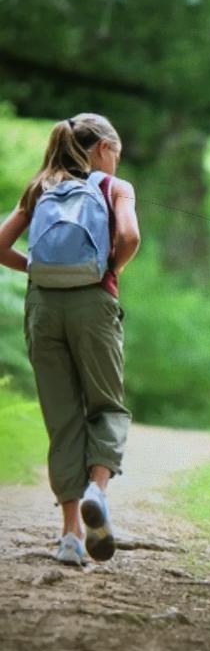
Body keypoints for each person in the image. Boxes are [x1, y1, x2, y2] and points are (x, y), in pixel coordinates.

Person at [0, 114, 140, 565]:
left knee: (62, 419)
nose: (116, 162)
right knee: (107, 405)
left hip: (44, 308)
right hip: (93, 304)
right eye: (115, 154)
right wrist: (110, 269)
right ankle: (96, 490)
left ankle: (69, 536)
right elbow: (130, 235)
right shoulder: (113, 187)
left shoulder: (40, 187)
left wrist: (35, 270)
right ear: (103, 148)